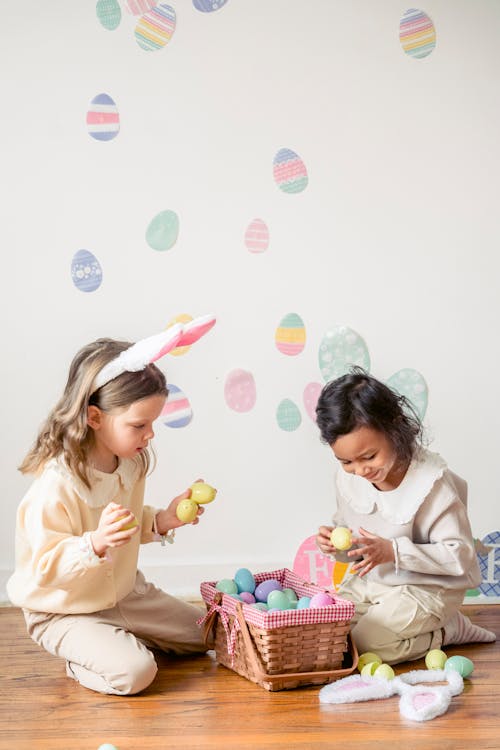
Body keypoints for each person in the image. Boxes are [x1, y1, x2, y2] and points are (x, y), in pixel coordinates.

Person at [7, 316, 216, 695]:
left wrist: (162, 520)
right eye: (139, 425)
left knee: (209, 634)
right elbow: (42, 568)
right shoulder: (56, 485)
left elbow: (126, 522)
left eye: (153, 423)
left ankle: (117, 637)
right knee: (136, 674)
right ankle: (85, 657)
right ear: (95, 418)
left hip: (124, 595)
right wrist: (93, 545)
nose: (149, 434)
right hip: (63, 611)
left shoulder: (130, 464)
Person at [315, 368, 496, 665]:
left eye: (369, 457)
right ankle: (400, 627)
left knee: (363, 647)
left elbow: (459, 556)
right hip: (373, 582)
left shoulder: (432, 484)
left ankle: (446, 630)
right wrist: (337, 546)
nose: (360, 470)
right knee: (329, 634)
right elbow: (355, 543)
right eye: (346, 461)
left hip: (428, 589)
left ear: (394, 427)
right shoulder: (350, 479)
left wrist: (393, 551)